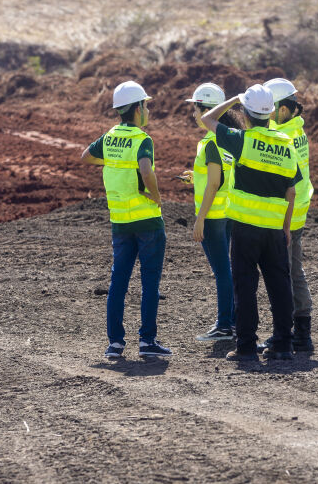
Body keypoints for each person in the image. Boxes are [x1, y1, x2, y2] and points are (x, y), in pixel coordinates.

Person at [200, 84, 301, 361]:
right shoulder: (285, 144)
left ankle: (246, 345)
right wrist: (286, 227)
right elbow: (291, 191)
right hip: (274, 229)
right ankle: (283, 343)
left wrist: (233, 98)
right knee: (280, 287)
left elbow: (206, 119)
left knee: (245, 287)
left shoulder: (241, 139)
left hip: (245, 228)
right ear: (270, 113)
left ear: (244, 111)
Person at [81, 80, 172, 359]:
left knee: (118, 282)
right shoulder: (142, 139)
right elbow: (146, 171)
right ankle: (147, 342)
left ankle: (115, 344)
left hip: (120, 221)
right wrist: (156, 195)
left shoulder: (109, 138)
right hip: (147, 220)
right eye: (145, 105)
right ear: (136, 109)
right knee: (150, 283)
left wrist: (112, 163)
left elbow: (86, 156)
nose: (148, 110)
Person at [179, 83, 238, 341]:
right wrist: (196, 177)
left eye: (196, 109)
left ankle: (225, 325)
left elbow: (214, 182)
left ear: (205, 110)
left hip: (213, 216)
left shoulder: (209, 143)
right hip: (227, 213)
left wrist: (200, 218)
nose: (193, 115)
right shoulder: (227, 137)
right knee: (227, 269)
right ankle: (232, 321)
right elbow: (218, 176)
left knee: (222, 271)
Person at [264, 77, 315, 353]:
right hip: (298, 211)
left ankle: (296, 333)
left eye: (269, 107)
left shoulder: (286, 138)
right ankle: (300, 332)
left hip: (288, 214)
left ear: (283, 110)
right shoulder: (297, 131)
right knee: (293, 271)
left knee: (288, 274)